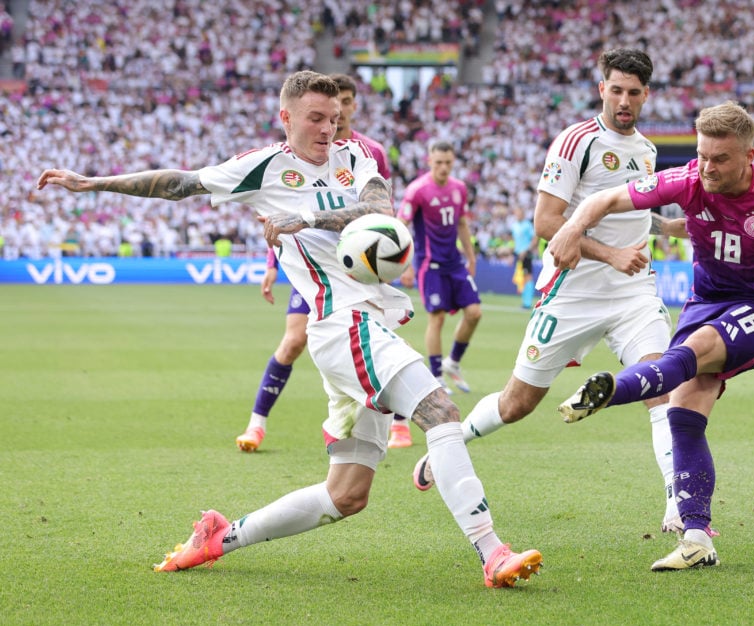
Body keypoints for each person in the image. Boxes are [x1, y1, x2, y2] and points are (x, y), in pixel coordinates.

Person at [36, 70, 541, 588]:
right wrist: (92, 183)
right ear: (287, 118)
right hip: (341, 326)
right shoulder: (264, 168)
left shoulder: (357, 157)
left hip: (370, 322)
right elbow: (180, 183)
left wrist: (307, 219)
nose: (328, 128)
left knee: (346, 496)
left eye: (335, 118)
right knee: (440, 411)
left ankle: (218, 537)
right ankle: (491, 550)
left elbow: (378, 211)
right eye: (316, 119)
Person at [548, 100, 754, 571]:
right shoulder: (687, 179)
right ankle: (697, 537)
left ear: (749, 156)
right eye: (702, 155)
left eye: (720, 159)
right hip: (704, 302)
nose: (707, 167)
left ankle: (612, 393)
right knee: (684, 411)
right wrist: (575, 228)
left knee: (695, 349)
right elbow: (603, 199)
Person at [412, 48, 687, 534]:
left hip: (633, 295)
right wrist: (611, 255)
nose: (624, 100)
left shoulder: (646, 150)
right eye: (616, 90)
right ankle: (449, 444)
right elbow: (547, 223)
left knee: (661, 387)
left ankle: (678, 505)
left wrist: (674, 229)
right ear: (602, 89)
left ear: (646, 95)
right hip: (572, 293)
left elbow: (636, 214)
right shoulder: (575, 141)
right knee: (517, 404)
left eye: (634, 93)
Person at [237, 72, 415, 453]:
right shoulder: (296, 154)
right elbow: (279, 211)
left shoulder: (368, 152)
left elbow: (383, 210)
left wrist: (394, 255)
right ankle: (257, 424)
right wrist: (273, 261)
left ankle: (395, 422)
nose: (340, 115)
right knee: (294, 340)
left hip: (364, 264)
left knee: (380, 335)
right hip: (314, 267)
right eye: (329, 111)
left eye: (347, 104)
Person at [397, 140, 481, 395]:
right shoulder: (418, 190)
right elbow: (402, 225)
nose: (444, 167)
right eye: (439, 162)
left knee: (475, 312)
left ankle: (452, 363)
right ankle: (435, 376)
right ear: (429, 161)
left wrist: (471, 256)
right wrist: (406, 266)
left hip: (454, 263)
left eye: (448, 162)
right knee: (438, 317)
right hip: (429, 265)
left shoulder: (459, 189)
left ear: (453, 162)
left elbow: (462, 224)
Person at [510, 204, 538, 309]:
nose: (518, 214)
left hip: (526, 254)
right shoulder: (514, 226)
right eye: (516, 212)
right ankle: (524, 302)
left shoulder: (527, 225)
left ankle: (527, 303)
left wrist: (526, 250)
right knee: (520, 278)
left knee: (528, 277)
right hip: (518, 254)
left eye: (520, 212)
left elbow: (535, 239)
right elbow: (515, 241)